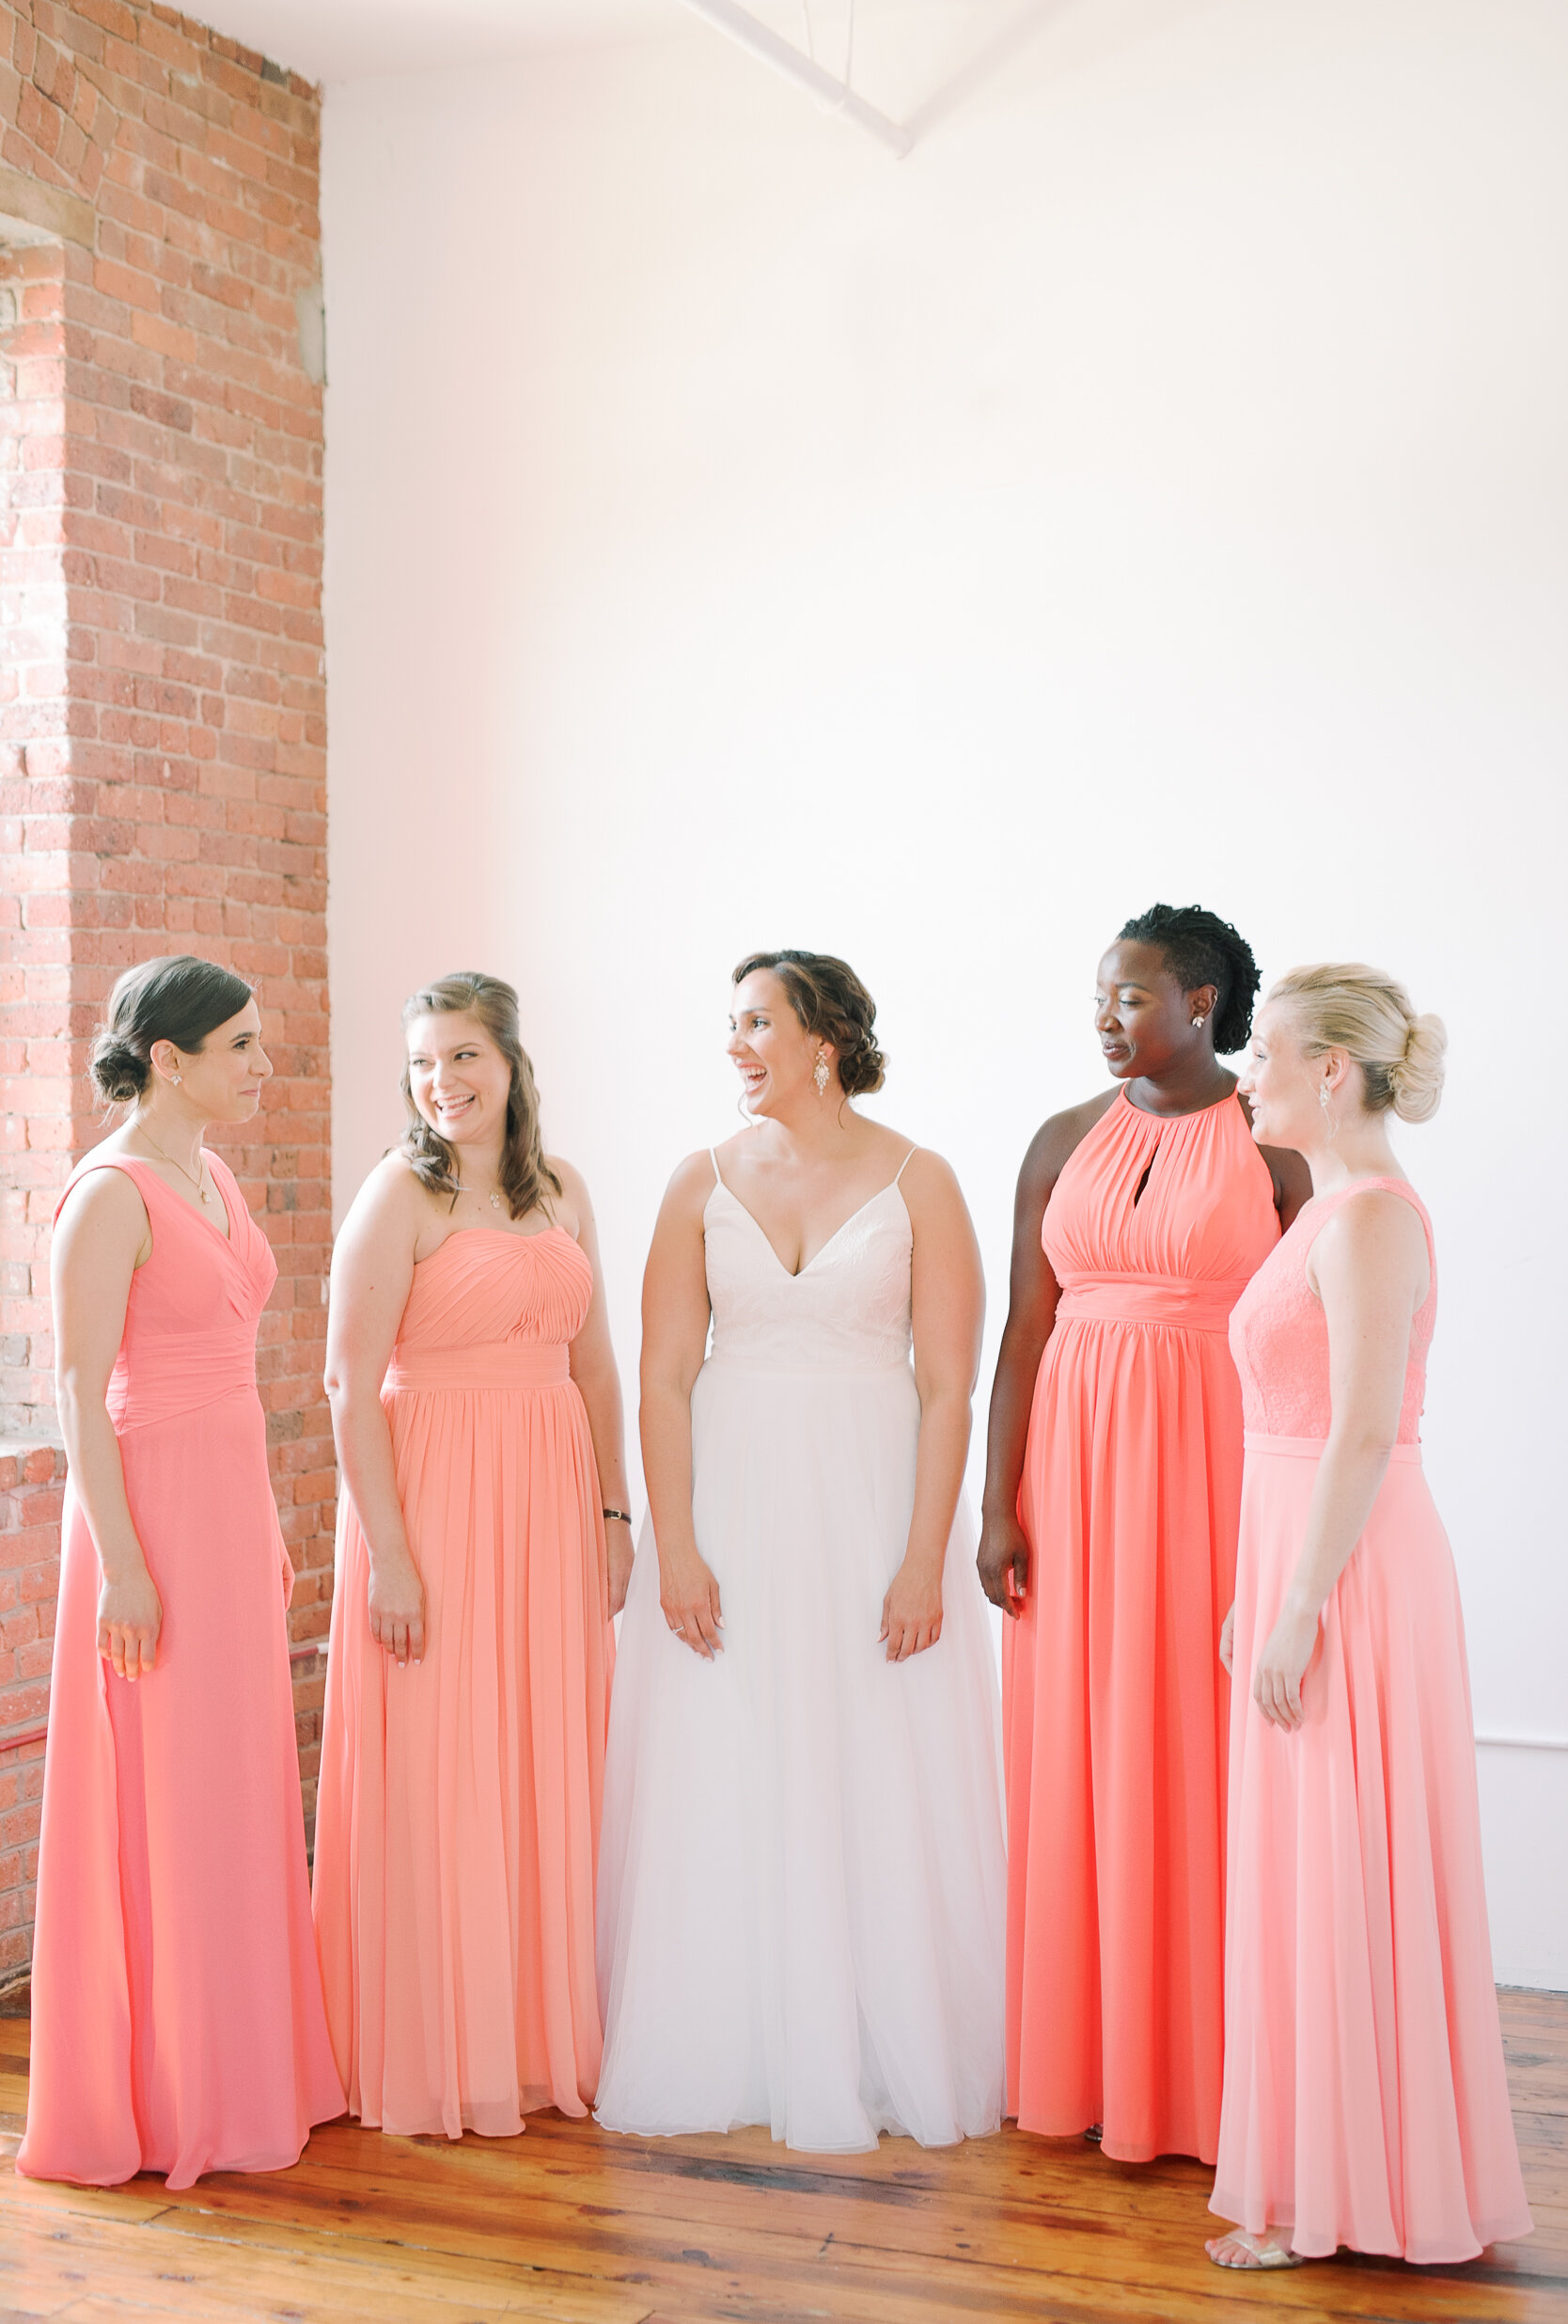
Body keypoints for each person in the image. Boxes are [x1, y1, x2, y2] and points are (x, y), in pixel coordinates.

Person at [596, 950, 1006, 2151]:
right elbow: (662, 1381)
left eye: (756, 1022)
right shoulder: (696, 1182)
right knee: (729, 1754)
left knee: (869, 1753)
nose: (735, 1045)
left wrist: (925, 1554)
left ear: (823, 1037)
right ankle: (735, 2033)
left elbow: (949, 1391)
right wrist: (674, 1546)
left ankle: (874, 2039)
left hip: (872, 1502)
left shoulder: (922, 1181)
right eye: (730, 1023)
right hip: (729, 1501)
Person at [1206, 965, 1531, 2269]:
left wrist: (1295, 1606)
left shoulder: (1371, 1218)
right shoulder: (1327, 1208)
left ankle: (1346, 2191)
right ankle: (1322, 2170)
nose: (1247, 1082)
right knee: (1305, 1869)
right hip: (1303, 1546)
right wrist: (1256, 1592)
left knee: (1344, 1866)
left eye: (1267, 1058)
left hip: (1353, 1562)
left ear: (1329, 1071)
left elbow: (1356, 1437)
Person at [980, 904, 1310, 2165]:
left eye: (1129, 997)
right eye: (1099, 998)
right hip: (1069, 1477)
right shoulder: (1062, 1140)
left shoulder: (1275, 1150)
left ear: (1202, 1006)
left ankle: (1216, 2074)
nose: (1106, 1018)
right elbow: (1025, 1331)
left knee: (1200, 1742)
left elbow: (1309, 1340)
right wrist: (994, 1504)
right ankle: (1085, 2056)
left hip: (1217, 1478)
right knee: (1080, 1747)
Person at [18, 957, 343, 2188]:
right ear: (171, 1058)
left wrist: (258, 1525)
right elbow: (76, 1396)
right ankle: (168, 2095)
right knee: (168, 1788)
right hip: (146, 1513)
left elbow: (232, 1372)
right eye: (245, 1047)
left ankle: (248, 2067)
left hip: (221, 1504)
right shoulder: (109, 1195)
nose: (264, 1067)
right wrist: (124, 1570)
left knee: (234, 1786)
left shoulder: (208, 1172)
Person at [312, 973, 631, 2139]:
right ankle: (436, 2041)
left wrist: (615, 1517)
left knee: (543, 1752)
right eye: (421, 1064)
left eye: (462, 1058)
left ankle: (539, 2034)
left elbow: (597, 1368)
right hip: (432, 1501)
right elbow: (348, 1383)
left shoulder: (565, 1190)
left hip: (550, 1499)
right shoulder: (400, 1193)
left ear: (509, 1062)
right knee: (445, 1760)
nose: (440, 1083)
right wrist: (389, 1557)